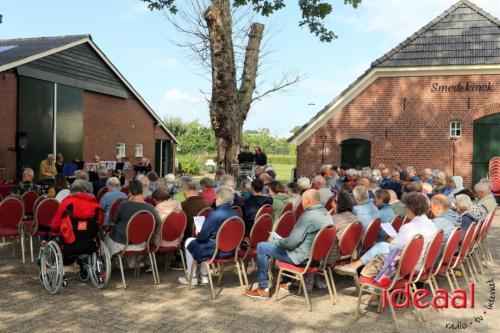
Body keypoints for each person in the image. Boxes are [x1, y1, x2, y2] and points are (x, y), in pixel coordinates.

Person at [244, 189, 332, 299]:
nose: (301, 203)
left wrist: (277, 241)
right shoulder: (327, 214)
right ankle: (287, 281)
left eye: (302, 200)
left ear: (308, 201)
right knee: (291, 245)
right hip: (316, 258)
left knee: (262, 246)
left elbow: (290, 244)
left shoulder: (308, 216)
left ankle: (263, 288)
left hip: (301, 259)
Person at [336, 192, 437, 278]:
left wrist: (391, 241)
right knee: (382, 246)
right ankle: (355, 266)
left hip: (406, 267)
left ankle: (356, 267)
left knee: (382, 246)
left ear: (411, 208)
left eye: (406, 207)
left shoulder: (409, 228)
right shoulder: (432, 225)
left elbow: (393, 249)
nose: (405, 209)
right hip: (422, 264)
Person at [178, 188, 238, 285]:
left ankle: (191, 276)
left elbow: (202, 238)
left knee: (190, 241)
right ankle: (204, 275)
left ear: (219, 198)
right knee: (202, 243)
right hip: (232, 251)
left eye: (216, 197)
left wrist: (198, 232)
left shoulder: (214, 215)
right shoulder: (236, 214)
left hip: (216, 251)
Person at [49, 179, 103, 280]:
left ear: (72, 190)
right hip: (89, 242)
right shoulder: (94, 204)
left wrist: (53, 229)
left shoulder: (67, 202)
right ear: (85, 190)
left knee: (55, 237)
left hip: (70, 242)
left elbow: (56, 222)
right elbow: (99, 222)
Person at [105, 180, 161, 267]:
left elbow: (114, 220)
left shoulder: (124, 205)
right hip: (142, 243)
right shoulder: (150, 208)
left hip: (122, 243)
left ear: (130, 192)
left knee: (108, 238)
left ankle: (109, 265)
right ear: (142, 191)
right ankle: (132, 263)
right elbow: (158, 223)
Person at [327, 190, 357, 265]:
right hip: (350, 253)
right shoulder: (355, 218)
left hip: (333, 257)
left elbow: (323, 239)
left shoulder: (333, 219)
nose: (331, 203)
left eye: (334, 201)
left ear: (339, 204)